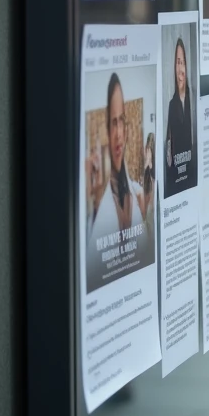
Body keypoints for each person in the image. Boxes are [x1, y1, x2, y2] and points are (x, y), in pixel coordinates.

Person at [84, 74, 144, 275]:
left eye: (122, 122)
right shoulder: (101, 204)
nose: (118, 133)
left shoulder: (132, 196)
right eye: (113, 123)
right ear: (108, 132)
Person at [164, 36, 195, 193]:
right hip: (178, 186)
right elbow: (169, 152)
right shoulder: (171, 105)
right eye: (177, 62)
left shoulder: (194, 101)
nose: (180, 68)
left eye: (182, 63)